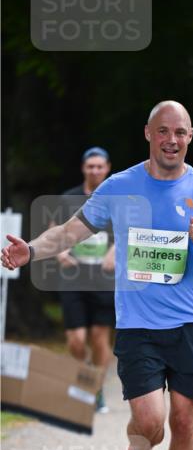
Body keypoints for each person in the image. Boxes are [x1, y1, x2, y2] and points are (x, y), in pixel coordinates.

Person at [1, 101, 193, 450]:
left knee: (185, 421)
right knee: (151, 422)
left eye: (180, 132)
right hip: (138, 325)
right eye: (163, 131)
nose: (171, 140)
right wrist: (30, 250)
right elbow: (70, 232)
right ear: (148, 133)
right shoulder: (120, 186)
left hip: (192, 322)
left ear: (191, 137)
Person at [57, 147, 116, 413]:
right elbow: (55, 232)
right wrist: (60, 252)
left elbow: (128, 231)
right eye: (90, 166)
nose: (94, 170)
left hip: (104, 279)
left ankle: (95, 389)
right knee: (77, 340)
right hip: (73, 278)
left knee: (99, 338)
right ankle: (84, 376)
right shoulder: (68, 198)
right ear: (83, 168)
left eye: (99, 166)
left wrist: (115, 251)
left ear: (107, 168)